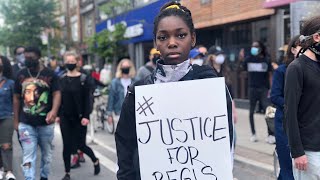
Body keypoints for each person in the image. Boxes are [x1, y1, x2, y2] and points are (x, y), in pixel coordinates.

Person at [115, 2, 234, 179]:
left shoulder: (209, 84)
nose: (172, 43)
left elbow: (224, 141)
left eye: (181, 35)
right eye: (163, 37)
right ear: (155, 42)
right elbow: (125, 144)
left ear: (192, 39)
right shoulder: (139, 91)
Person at [13, 46, 61, 180]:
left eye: (30, 57)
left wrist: (54, 111)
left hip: (46, 124)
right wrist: (16, 121)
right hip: (26, 123)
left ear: (38, 57)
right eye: (25, 57)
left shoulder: (50, 74)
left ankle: (44, 177)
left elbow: (57, 93)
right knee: (28, 154)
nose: (27, 59)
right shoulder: (21, 74)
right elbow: (16, 98)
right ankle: (29, 178)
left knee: (47, 156)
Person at [284, 15, 320, 180]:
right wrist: (297, 152)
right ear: (317, 37)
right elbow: (290, 112)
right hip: (308, 152)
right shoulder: (296, 68)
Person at [58, 51, 100, 180]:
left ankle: (95, 160)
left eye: (72, 61)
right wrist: (58, 114)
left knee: (80, 145)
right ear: (64, 63)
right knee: (67, 145)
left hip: (80, 117)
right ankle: (67, 173)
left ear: (77, 62)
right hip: (65, 117)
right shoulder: (61, 79)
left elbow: (88, 99)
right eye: (67, 61)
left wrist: (86, 116)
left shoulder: (84, 78)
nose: (70, 63)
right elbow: (59, 98)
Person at [270, 35, 301, 180]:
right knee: (287, 163)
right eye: (300, 47)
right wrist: (292, 104)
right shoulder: (282, 70)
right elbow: (274, 96)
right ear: (293, 49)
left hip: (304, 123)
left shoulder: (310, 69)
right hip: (284, 122)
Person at [240, 41, 273, 143]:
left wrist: (271, 88)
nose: (253, 48)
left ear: (260, 48)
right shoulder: (248, 59)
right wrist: (241, 59)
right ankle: (253, 134)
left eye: (256, 46)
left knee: (267, 111)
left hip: (264, 88)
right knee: (251, 111)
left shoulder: (266, 59)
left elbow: (270, 74)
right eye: (252, 46)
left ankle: (270, 134)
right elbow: (242, 68)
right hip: (252, 88)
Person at [106, 58, 136, 127]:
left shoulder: (135, 81)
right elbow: (111, 98)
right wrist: (109, 114)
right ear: (120, 68)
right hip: (119, 112)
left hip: (133, 113)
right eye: (124, 67)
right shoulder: (115, 82)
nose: (125, 68)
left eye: (127, 67)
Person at [0, 56, 16, 180]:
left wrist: (16, 119)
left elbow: (15, 102)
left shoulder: (10, 83)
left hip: (6, 116)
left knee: (6, 144)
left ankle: (9, 170)